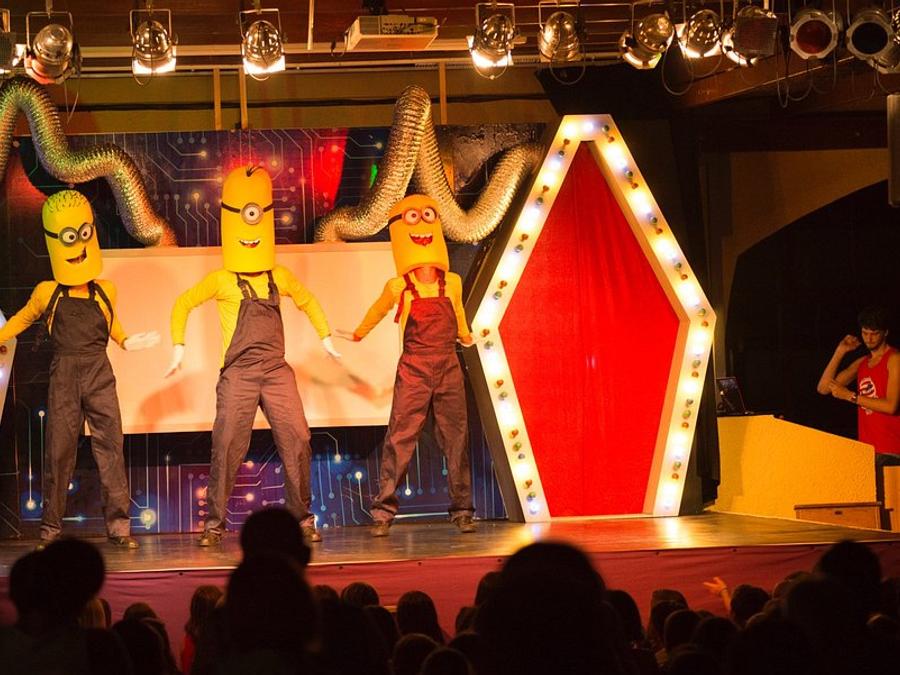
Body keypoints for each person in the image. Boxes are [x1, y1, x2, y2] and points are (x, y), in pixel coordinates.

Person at [167, 165, 339, 546]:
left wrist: (326, 338)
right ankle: (214, 524)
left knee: (298, 437)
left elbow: (308, 301)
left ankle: (303, 519)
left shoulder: (279, 276)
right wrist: (178, 345)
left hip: (276, 370)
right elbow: (183, 303)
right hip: (239, 373)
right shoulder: (223, 280)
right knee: (227, 443)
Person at [0, 190, 159, 549]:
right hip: (65, 374)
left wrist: (126, 341)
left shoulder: (106, 290)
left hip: (99, 371)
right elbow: (21, 320)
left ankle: (119, 529)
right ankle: (50, 531)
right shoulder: (47, 292)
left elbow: (113, 324)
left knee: (111, 449)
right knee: (58, 452)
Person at [338, 194, 476, 537]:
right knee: (400, 437)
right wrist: (358, 333)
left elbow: (459, 314)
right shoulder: (399, 286)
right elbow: (378, 310)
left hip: (448, 364)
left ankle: (462, 510)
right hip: (414, 367)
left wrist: (466, 335)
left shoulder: (452, 282)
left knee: (456, 437)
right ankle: (383, 512)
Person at [817, 306, 900, 511]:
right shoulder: (863, 362)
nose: (869, 338)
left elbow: (891, 405)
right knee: (872, 511)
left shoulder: (894, 359)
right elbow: (824, 388)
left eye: (874, 333)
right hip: (868, 450)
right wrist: (840, 352)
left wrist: (851, 396)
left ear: (885, 333)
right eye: (865, 333)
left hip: (892, 450)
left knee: (892, 511)